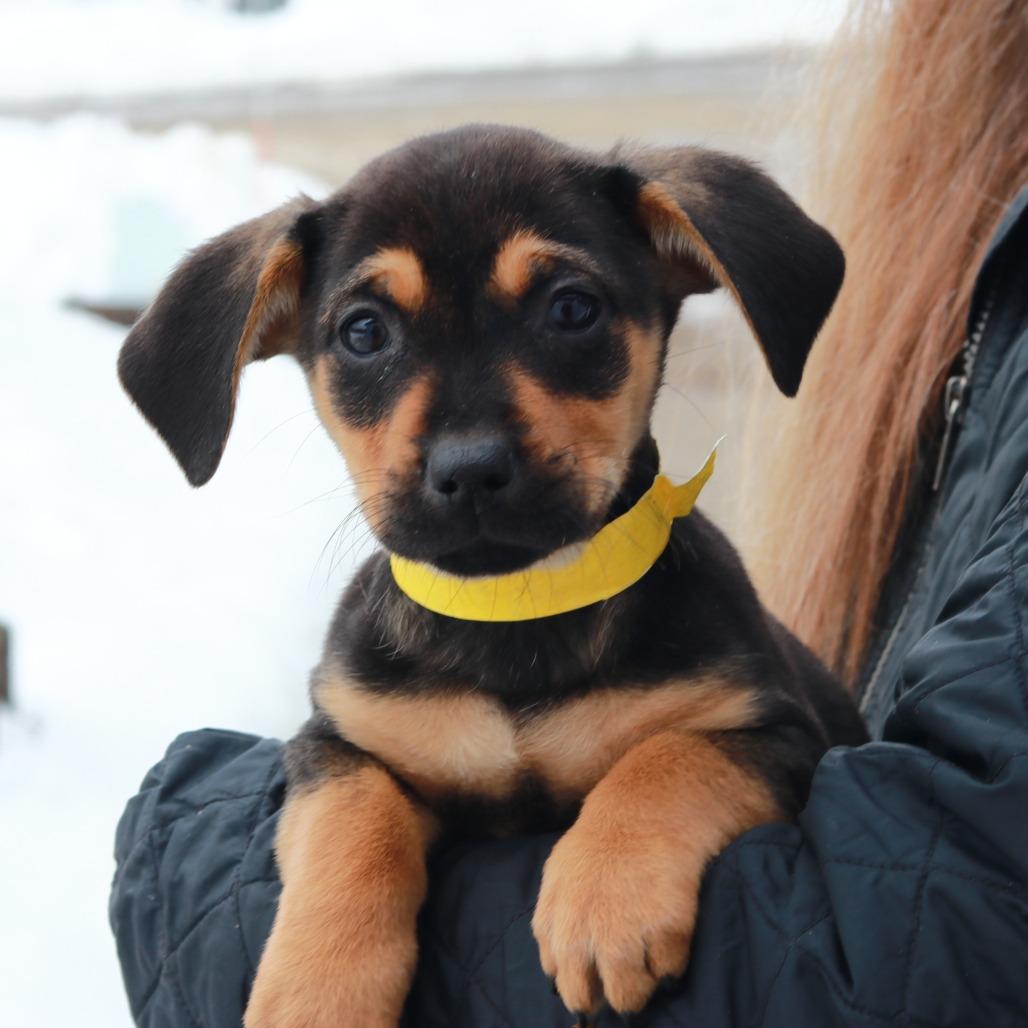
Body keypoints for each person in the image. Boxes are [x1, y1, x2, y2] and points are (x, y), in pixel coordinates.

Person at [110, 1, 1028, 1024]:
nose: (466, 441)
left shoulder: (699, 643)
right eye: (368, 333)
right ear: (283, 331)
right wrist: (345, 883)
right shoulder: (376, 678)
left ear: (675, 271)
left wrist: (657, 796)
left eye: (566, 311)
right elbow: (340, 755)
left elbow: (776, 747)